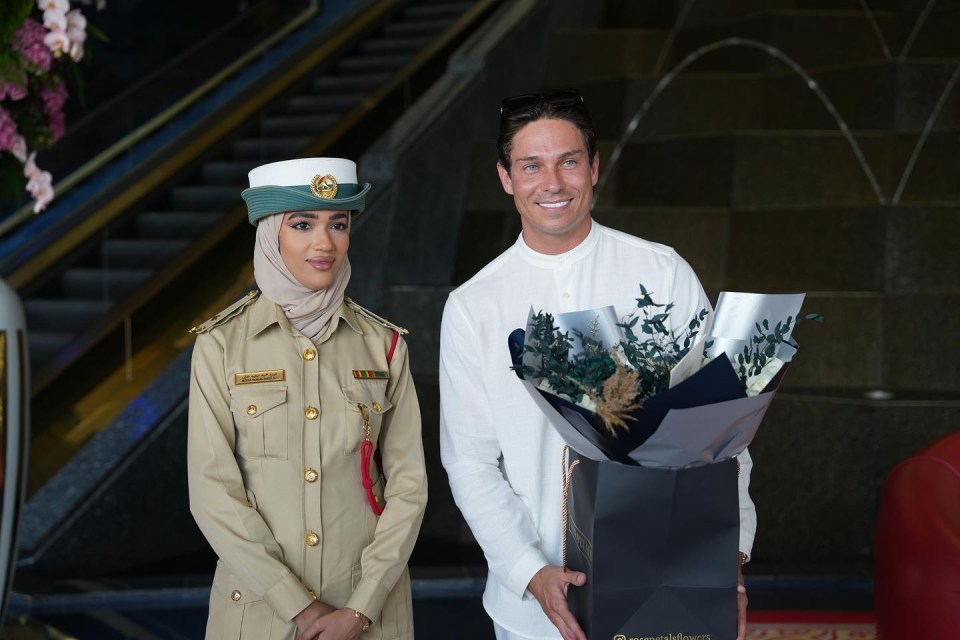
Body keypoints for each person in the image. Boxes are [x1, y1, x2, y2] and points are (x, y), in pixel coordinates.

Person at [438, 90, 755, 640]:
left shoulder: (660, 273)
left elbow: (722, 431)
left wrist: (729, 555)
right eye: (531, 166)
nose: (552, 183)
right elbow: (469, 461)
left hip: (668, 584)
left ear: (594, 167)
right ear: (506, 177)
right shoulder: (474, 305)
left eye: (569, 161)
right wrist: (528, 571)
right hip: (535, 610)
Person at [188, 157, 427, 640]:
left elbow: (409, 487)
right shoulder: (221, 346)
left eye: (338, 224)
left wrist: (360, 609)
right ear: (271, 234)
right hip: (258, 615)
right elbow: (212, 490)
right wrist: (299, 607)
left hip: (370, 616)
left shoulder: (384, 345)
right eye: (302, 225)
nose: (325, 243)